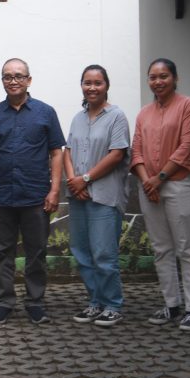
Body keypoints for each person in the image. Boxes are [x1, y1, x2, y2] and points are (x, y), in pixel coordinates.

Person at [0, 58, 65, 325]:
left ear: (29, 80)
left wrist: (55, 190)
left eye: (18, 76)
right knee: (2, 253)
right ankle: (4, 302)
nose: (13, 81)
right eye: (7, 76)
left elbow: (56, 152)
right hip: (1, 195)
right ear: (2, 81)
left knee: (36, 252)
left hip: (35, 195)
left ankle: (35, 302)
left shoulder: (45, 112)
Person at [131, 58, 190, 332]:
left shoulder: (188, 106)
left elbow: (186, 147)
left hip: (179, 185)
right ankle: (171, 304)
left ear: (175, 78)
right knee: (161, 248)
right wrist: (147, 182)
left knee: (186, 247)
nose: (158, 81)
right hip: (149, 188)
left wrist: (158, 178)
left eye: (163, 76)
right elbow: (136, 150)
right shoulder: (144, 113)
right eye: (153, 77)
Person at [63, 64, 131, 328]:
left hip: (104, 195)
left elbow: (117, 154)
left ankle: (113, 305)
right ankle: (95, 302)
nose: (92, 87)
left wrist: (86, 179)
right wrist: (74, 181)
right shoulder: (78, 118)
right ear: (82, 85)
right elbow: (68, 151)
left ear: (106, 86)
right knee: (82, 252)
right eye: (87, 83)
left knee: (104, 254)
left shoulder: (117, 116)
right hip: (79, 196)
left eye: (97, 83)